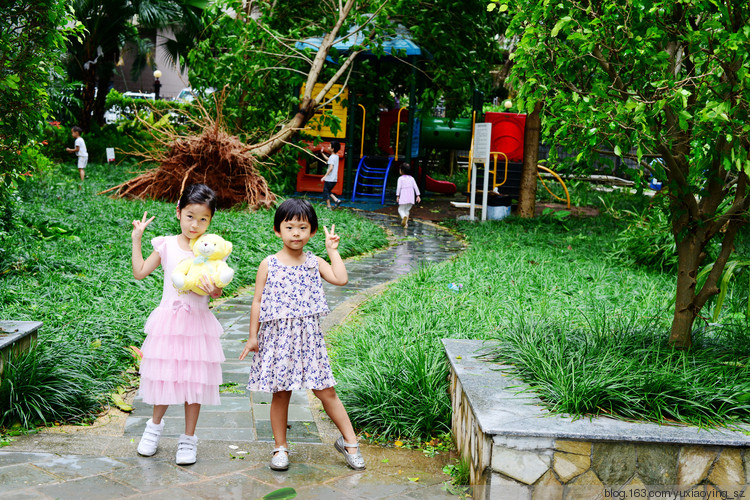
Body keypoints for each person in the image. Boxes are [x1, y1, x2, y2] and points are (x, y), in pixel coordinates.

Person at [239, 199, 365, 472]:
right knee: (280, 393)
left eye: (303, 227)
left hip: (308, 338)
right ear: (277, 230)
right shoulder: (268, 264)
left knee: (326, 390)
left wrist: (333, 251)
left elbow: (340, 278)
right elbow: (257, 302)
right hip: (277, 338)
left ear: (312, 232)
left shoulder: (314, 262)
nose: (296, 233)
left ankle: (350, 443)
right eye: (289, 227)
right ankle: (280, 448)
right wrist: (253, 337)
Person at [130, 183, 226, 466]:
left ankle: (188, 440)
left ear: (210, 220)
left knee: (194, 382)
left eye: (203, 219)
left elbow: (218, 288)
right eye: (190, 216)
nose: (195, 224)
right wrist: (137, 238)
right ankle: (153, 429)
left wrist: (214, 290)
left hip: (198, 325)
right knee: (166, 377)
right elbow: (139, 272)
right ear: (178, 213)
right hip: (169, 323)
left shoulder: (211, 249)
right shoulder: (167, 245)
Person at [395, 162, 421, 228]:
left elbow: (398, 188)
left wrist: (397, 196)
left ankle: (404, 217)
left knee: (400, 210)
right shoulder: (412, 178)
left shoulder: (400, 178)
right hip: (411, 197)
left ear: (401, 170)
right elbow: (416, 187)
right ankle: (405, 225)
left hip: (404, 196)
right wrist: (418, 195)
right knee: (407, 210)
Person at [320, 141, 343, 209]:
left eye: (329, 146)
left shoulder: (332, 157)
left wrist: (325, 176)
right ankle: (337, 200)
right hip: (334, 179)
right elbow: (328, 159)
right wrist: (322, 153)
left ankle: (328, 206)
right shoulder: (336, 156)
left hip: (329, 178)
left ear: (332, 149)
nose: (328, 147)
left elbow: (331, 168)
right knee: (328, 191)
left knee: (326, 192)